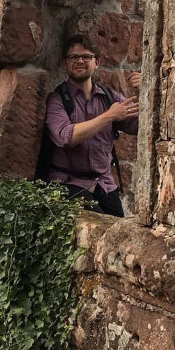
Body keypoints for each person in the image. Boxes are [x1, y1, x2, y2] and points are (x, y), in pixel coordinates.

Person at [44, 34, 141, 217]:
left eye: (86, 57)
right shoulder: (57, 100)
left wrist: (148, 90)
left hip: (104, 184)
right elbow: (66, 137)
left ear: (97, 62)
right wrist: (109, 116)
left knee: (118, 235)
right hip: (68, 184)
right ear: (65, 63)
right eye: (73, 57)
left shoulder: (109, 98)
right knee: (97, 230)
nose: (80, 61)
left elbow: (141, 127)